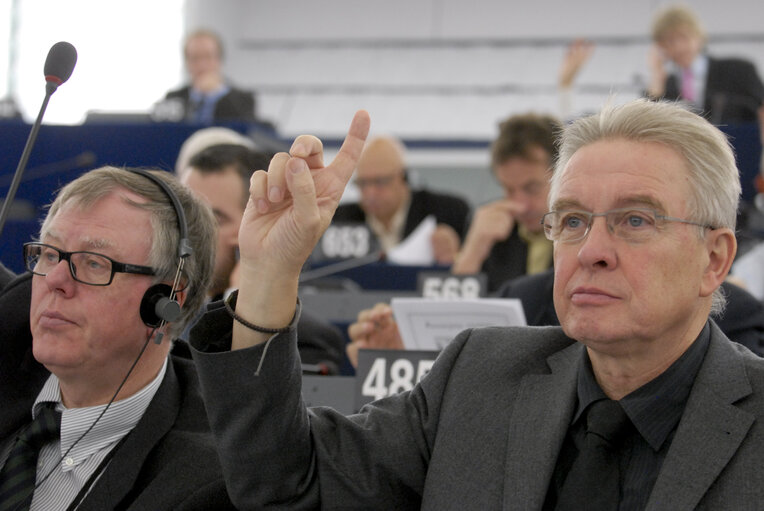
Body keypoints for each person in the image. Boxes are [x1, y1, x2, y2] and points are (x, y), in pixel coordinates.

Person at [190, 99, 764, 509]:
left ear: (714, 259)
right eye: (572, 220)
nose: (591, 251)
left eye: (636, 220)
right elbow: (286, 485)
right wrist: (268, 273)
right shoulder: (480, 376)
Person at [0, 166, 234, 509]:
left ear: (164, 301)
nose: (55, 280)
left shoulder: (206, 481)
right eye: (50, 254)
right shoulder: (10, 335)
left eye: (94, 263)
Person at [181, 143, 346, 372]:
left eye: (212, 219)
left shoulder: (304, 339)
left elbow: (246, 403)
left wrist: (245, 304)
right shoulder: (155, 311)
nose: (187, 232)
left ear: (261, 225)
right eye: (183, 215)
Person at [451, 113, 560, 291]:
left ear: (563, 175)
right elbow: (450, 310)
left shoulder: (585, 228)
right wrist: (473, 250)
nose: (519, 205)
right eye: (508, 190)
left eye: (531, 188)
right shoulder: (489, 227)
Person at [332, 135, 470, 265]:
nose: (370, 193)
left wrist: (456, 256)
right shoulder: (340, 220)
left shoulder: (448, 213)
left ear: (404, 178)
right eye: (362, 183)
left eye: (380, 182)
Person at [646, 4, 764, 125]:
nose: (679, 47)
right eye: (670, 41)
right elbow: (649, 125)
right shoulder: (667, 86)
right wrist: (656, 76)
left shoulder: (739, 70)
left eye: (684, 37)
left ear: (698, 36)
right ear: (661, 47)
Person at [162, 29, 256, 124]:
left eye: (208, 57)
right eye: (195, 58)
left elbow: (244, 131)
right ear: (186, 63)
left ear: (220, 59)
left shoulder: (242, 100)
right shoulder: (174, 98)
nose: (202, 65)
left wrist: (215, 93)